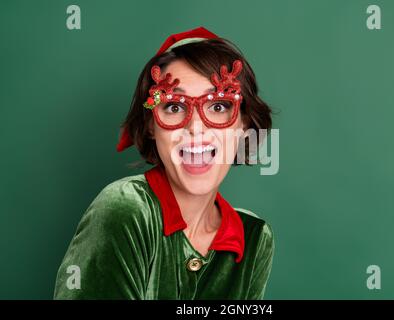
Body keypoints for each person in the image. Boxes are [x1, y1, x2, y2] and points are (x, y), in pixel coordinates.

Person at [54, 26, 275, 299]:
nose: (196, 128)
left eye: (219, 106)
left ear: (243, 124)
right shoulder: (124, 210)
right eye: (174, 107)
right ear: (150, 126)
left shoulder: (253, 238)